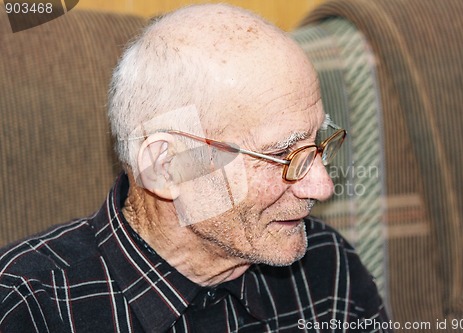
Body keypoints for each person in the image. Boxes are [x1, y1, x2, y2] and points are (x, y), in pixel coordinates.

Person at [0, 4, 391, 332]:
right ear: (166, 168)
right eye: (283, 155)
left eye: (318, 142)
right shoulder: (28, 307)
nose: (321, 187)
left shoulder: (327, 267)